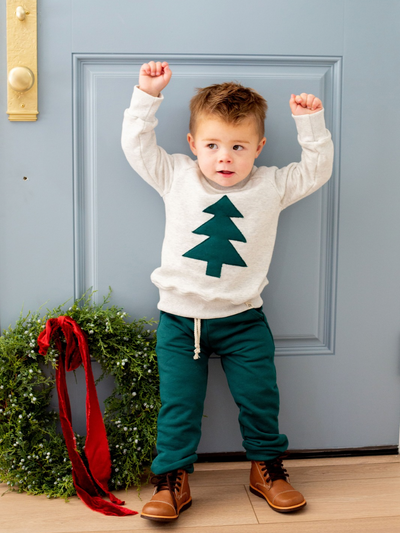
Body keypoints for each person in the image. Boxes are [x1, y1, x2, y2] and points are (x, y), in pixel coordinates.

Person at [121, 61, 333, 522]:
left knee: (260, 398)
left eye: (238, 147)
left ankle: (267, 470)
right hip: (179, 321)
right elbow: (137, 146)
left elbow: (316, 171)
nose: (224, 158)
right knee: (178, 405)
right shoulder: (176, 175)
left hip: (243, 319)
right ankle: (172, 479)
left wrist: (310, 123)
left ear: (258, 147)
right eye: (213, 145)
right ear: (193, 144)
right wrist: (147, 95)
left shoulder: (272, 185)